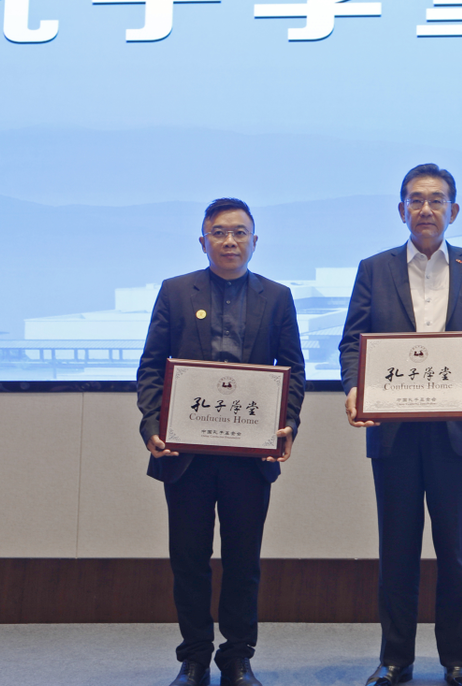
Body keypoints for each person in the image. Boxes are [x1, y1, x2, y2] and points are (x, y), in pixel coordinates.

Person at [339, 163, 462, 686]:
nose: (426, 209)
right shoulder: (374, 269)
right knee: (397, 550)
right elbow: (353, 342)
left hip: (456, 431)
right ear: (401, 210)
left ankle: (458, 659)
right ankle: (395, 659)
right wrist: (353, 387)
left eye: (436, 200)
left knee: (456, 552)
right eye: (415, 200)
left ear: (453, 210)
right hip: (393, 430)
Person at [136, 197, 306, 686]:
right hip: (185, 453)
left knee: (243, 562)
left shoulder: (278, 297)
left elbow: (292, 371)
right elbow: (152, 367)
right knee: (189, 559)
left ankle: (237, 657)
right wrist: (151, 425)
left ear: (255, 240)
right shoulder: (175, 292)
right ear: (203, 240)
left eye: (239, 232)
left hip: (248, 455)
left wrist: (288, 423)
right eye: (219, 232)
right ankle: (193, 658)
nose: (230, 241)